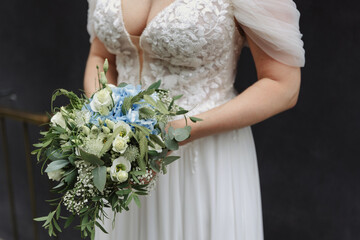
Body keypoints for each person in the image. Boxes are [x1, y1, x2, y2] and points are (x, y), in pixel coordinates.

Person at [84, 0, 305, 239]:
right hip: (124, 160)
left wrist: (178, 131)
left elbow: (284, 86)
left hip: (203, 159)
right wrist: (106, 120)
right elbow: (100, 55)